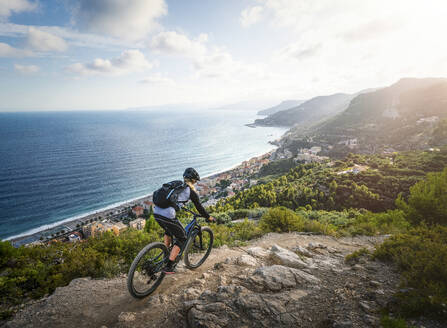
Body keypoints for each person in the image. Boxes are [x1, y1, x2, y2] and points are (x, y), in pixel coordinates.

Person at [153, 167, 215, 274]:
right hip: (167, 215)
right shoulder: (191, 192)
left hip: (156, 212)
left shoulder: (176, 184)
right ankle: (169, 266)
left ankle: (166, 253)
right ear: (194, 181)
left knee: (169, 230)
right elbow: (200, 208)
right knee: (182, 238)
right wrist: (208, 217)